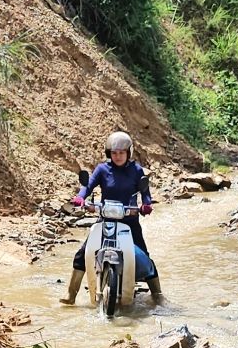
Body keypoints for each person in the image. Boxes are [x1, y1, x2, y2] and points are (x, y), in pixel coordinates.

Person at [60, 130, 163, 305]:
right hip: (105, 219)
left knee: (144, 258)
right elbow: (88, 186)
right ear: (109, 154)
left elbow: (145, 193)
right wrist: (80, 198)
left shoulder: (136, 170)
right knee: (83, 253)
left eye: (122, 152)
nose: (118, 156)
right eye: (114, 153)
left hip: (129, 221)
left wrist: (146, 205)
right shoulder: (102, 169)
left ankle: (158, 295)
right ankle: (71, 294)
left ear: (128, 153)